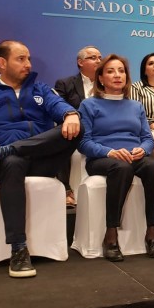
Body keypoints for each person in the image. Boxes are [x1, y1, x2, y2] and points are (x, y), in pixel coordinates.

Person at [0, 40, 82, 278]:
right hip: (4, 164)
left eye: (29, 59)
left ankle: (7, 150)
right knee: (13, 162)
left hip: (41, 160)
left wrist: (70, 114)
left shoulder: (39, 88)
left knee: (78, 129)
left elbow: (58, 105)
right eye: (21, 59)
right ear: (2, 63)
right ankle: (19, 248)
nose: (28, 64)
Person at [78, 54, 154, 260]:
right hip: (103, 158)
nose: (117, 75)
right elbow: (83, 143)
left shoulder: (135, 106)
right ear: (100, 78)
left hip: (134, 155)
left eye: (121, 71)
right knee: (121, 168)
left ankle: (152, 233)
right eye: (110, 71)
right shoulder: (89, 105)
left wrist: (143, 150)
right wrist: (109, 152)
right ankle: (111, 235)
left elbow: (147, 138)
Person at [54, 45, 102, 207]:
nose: (98, 61)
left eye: (100, 58)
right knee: (61, 137)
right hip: (76, 128)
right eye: (93, 57)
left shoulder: (107, 83)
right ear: (80, 62)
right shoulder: (65, 84)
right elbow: (58, 109)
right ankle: (67, 190)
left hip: (102, 130)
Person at [130, 52, 154, 171]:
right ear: (144, 70)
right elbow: (133, 114)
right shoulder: (136, 87)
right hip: (148, 129)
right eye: (151, 63)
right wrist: (151, 124)